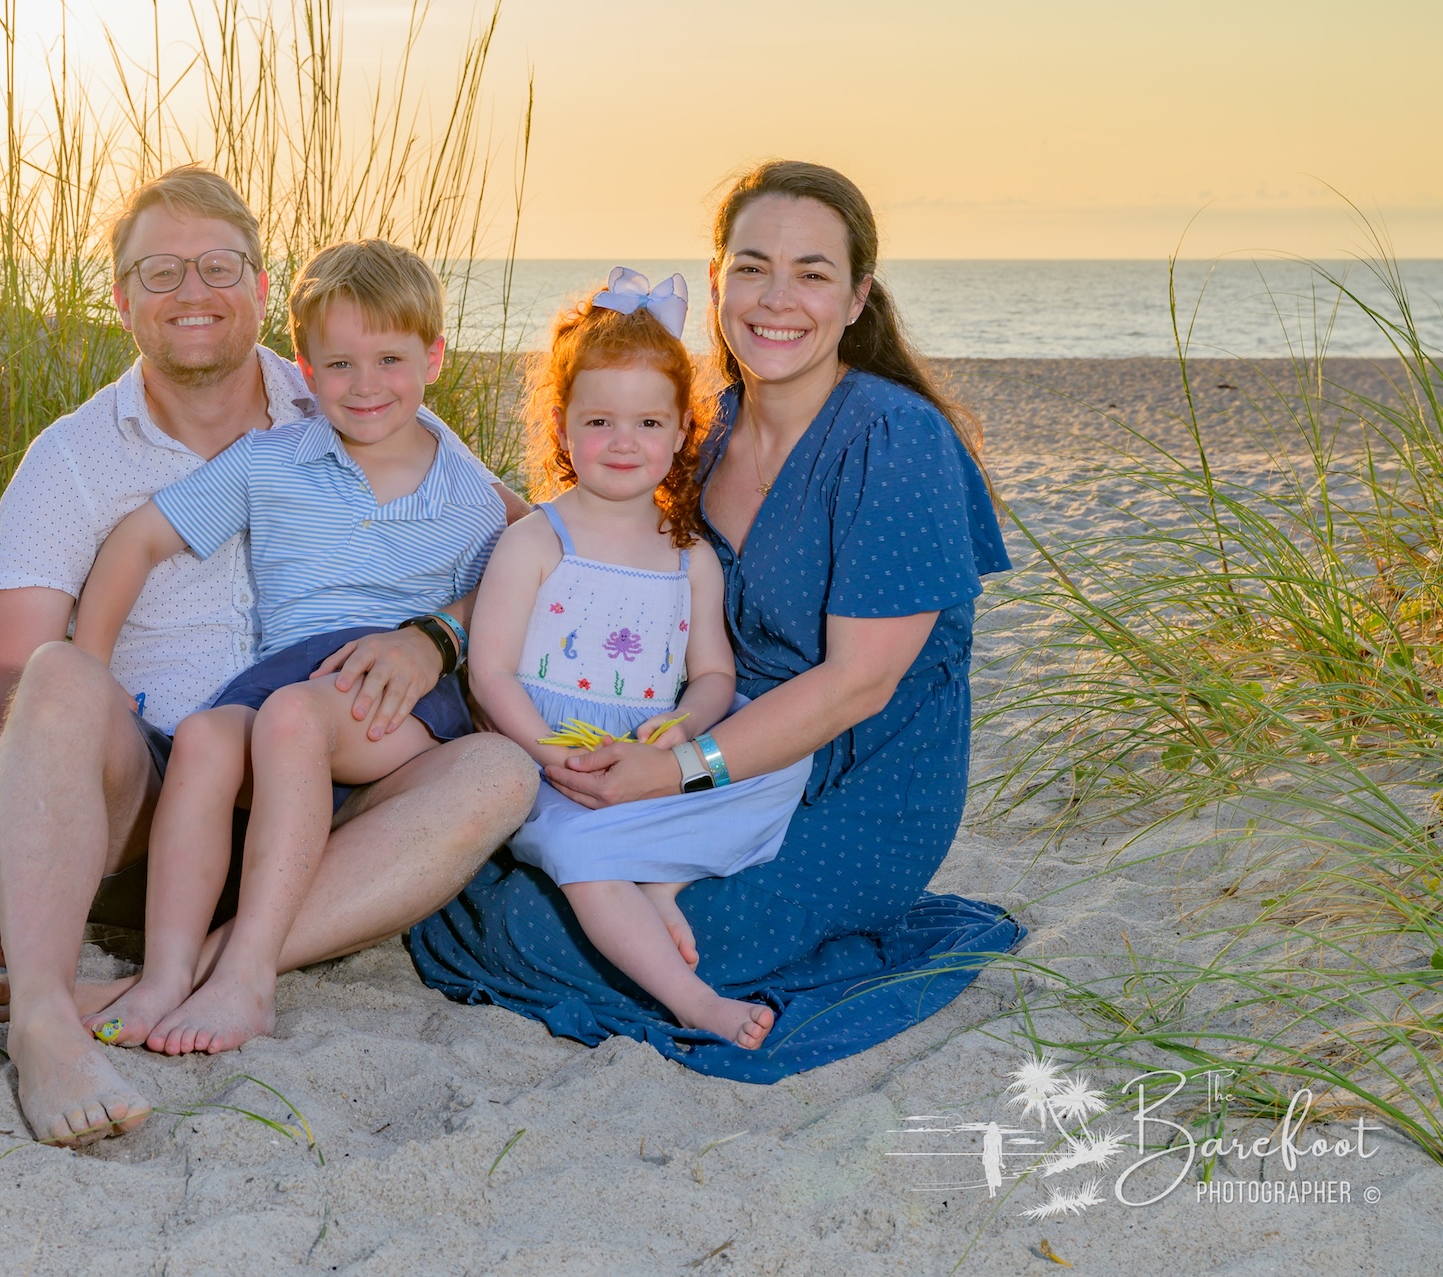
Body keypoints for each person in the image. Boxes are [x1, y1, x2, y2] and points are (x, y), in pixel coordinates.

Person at [409, 161, 1025, 1083]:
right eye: (752, 266)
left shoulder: (896, 440)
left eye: (813, 273)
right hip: (696, 740)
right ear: (715, 282)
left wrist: (676, 771)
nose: (778, 299)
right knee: (504, 876)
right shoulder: (708, 430)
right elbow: (592, 554)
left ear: (858, 297)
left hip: (851, 779)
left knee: (542, 935)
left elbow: (860, 682)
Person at [0, 167, 535, 1147]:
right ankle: (51, 1020)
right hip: (152, 809)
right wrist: (0, 873)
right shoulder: (73, 456)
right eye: (160, 271)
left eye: (217, 266)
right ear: (121, 298)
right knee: (60, 672)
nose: (192, 292)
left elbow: (529, 547)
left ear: (261, 287)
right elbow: (6, 677)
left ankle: (193, 975)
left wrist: (431, 636)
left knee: (500, 770)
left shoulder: (356, 388)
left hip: (346, 811)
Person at [68, 239, 504, 1057]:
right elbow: (136, 541)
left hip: (395, 694)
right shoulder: (272, 462)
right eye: (339, 364)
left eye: (390, 359)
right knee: (203, 734)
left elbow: (530, 566)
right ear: (302, 368)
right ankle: (165, 973)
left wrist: (440, 634)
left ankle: (247, 978)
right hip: (286, 679)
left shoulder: (470, 493)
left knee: (294, 719)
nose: (366, 385)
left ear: (436, 357)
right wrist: (91, 673)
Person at [465, 268, 811, 1050]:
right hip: (560, 768)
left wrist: (680, 733)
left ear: (683, 431)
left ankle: (662, 878)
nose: (625, 443)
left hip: (651, 760)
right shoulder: (536, 540)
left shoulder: (688, 554)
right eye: (600, 422)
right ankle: (692, 999)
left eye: (650, 424)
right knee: (580, 848)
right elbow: (489, 671)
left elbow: (715, 673)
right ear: (561, 428)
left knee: (786, 753)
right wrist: (551, 754)